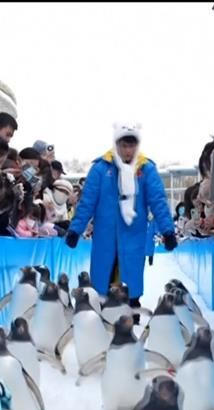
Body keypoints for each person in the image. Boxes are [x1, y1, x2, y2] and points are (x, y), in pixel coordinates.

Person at [66, 123, 177, 308]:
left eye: (131, 146)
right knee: (104, 277)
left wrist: (168, 231)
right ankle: (102, 309)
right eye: (124, 146)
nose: (127, 151)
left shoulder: (146, 169)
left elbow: (158, 201)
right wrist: (75, 230)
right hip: (105, 235)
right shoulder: (101, 168)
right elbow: (88, 201)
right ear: (116, 144)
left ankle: (132, 306)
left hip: (134, 234)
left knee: (131, 275)